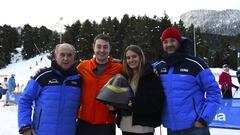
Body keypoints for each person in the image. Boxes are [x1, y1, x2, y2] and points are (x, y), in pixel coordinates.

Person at [152, 27, 221, 135]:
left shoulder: (196, 64)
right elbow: (139, 68)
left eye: (172, 40)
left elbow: (214, 92)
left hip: (195, 128)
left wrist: (204, 118)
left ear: (179, 41)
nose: (169, 44)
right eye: (165, 42)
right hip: (171, 128)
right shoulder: (159, 66)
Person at [18, 43, 82, 135]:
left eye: (69, 55)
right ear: (56, 56)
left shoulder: (79, 79)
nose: (65, 58)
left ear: (74, 57)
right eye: (62, 54)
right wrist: (25, 126)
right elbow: (25, 100)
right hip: (42, 132)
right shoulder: (42, 76)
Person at [76, 34, 122, 135]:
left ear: (110, 49)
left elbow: (137, 69)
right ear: (93, 47)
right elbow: (66, 73)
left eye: (105, 47)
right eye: (99, 46)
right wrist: (44, 71)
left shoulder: (118, 68)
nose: (102, 50)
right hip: (84, 123)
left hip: (106, 124)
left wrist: (123, 62)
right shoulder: (82, 66)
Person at [116, 45, 164, 135]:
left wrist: (136, 103)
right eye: (128, 58)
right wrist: (114, 106)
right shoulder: (124, 76)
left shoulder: (151, 76)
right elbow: (121, 99)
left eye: (134, 56)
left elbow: (157, 102)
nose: (131, 60)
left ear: (141, 57)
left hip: (144, 128)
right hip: (126, 126)